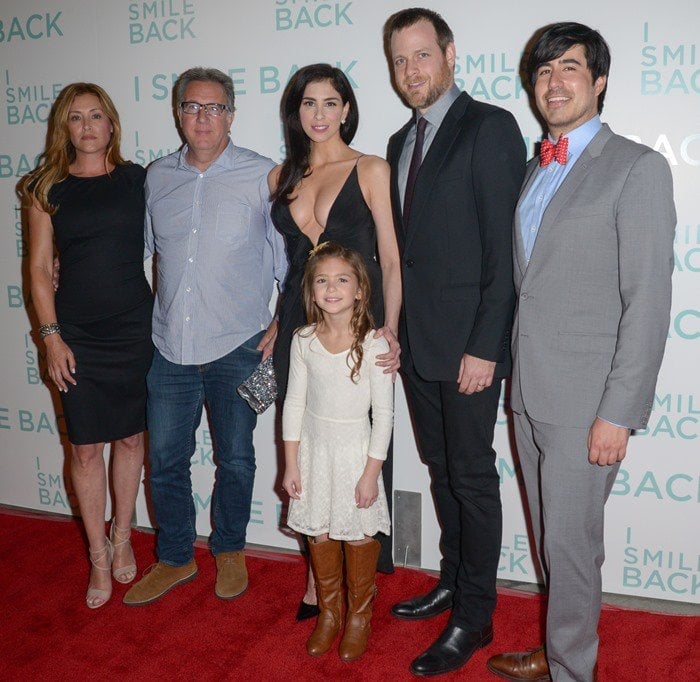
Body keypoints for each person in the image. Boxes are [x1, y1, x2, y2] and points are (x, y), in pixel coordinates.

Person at [486, 23, 675, 682]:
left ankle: (572, 671)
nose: (554, 82)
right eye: (543, 72)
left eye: (569, 68)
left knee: (571, 549)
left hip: (586, 403)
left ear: (598, 81)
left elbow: (648, 301)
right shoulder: (539, 165)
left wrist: (617, 413)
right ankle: (556, 651)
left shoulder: (635, 167)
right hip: (530, 395)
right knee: (552, 544)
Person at [383, 8, 526, 676]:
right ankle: (449, 578)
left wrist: (486, 346)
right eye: (400, 60)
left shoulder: (490, 127)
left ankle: (476, 612)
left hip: (470, 346)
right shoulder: (398, 143)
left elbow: (505, 252)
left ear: (449, 54)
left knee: (472, 478)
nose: (411, 71)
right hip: (420, 343)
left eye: (421, 56)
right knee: (442, 471)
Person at [123, 67, 288, 605]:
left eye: (214, 107)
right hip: (169, 345)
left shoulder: (263, 175)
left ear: (231, 115)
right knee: (165, 460)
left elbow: (293, 261)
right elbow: (142, 253)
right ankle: (174, 557)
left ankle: (230, 549)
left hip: (238, 343)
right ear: (177, 114)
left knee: (236, 458)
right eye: (193, 107)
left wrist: (282, 320)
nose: (203, 117)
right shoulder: (156, 177)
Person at [269, 63, 401, 619]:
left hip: (358, 332)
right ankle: (317, 584)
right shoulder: (282, 177)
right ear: (295, 113)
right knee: (306, 447)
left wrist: (391, 327)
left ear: (346, 109)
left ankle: (360, 582)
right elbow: (285, 266)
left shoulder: (370, 168)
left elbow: (391, 259)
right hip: (299, 329)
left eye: (330, 102)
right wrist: (276, 322)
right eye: (308, 104)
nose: (319, 114)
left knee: (360, 448)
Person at [21, 83, 153, 609]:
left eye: (97, 115)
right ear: (64, 128)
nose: (88, 126)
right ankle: (97, 552)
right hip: (75, 332)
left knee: (129, 440)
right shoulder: (44, 188)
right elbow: (36, 267)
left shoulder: (138, 179)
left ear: (112, 123)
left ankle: (123, 534)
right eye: (76, 118)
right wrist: (51, 337)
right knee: (84, 446)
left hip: (134, 327)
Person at [282, 241, 393, 661]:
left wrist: (370, 474)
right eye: (322, 281)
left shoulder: (374, 345)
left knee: (359, 532)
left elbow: (383, 417)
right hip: (314, 451)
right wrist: (291, 462)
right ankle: (329, 613)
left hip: (355, 455)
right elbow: (294, 403)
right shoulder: (303, 340)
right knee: (321, 531)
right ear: (311, 292)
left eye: (341, 280)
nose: (331, 288)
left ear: (360, 289)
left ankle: (359, 616)